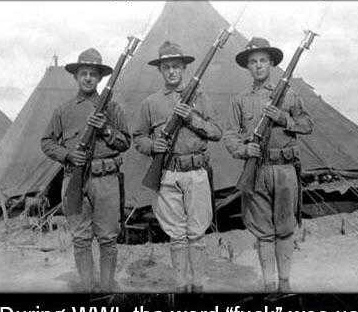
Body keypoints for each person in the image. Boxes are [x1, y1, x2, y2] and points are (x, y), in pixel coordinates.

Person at [224, 37, 313, 293]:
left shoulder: (290, 94)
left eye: (263, 60)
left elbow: (308, 125)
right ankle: (269, 286)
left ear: (272, 63)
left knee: (285, 229)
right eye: (253, 62)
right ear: (247, 67)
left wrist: (283, 118)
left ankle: (285, 284)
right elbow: (230, 134)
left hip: (285, 170)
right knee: (263, 232)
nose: (258, 66)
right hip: (257, 170)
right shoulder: (239, 100)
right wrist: (243, 149)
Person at [133, 41, 222, 293]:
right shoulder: (150, 103)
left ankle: (199, 285)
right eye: (166, 67)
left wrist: (191, 118)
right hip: (167, 173)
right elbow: (137, 137)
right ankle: (181, 286)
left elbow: (216, 132)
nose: (172, 71)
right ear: (160, 71)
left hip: (196, 171)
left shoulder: (200, 98)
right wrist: (153, 146)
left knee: (196, 233)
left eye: (176, 67)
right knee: (176, 235)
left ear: (184, 69)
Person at [41, 48, 130, 292]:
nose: (88, 78)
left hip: (106, 180)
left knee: (108, 239)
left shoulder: (112, 109)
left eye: (93, 73)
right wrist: (67, 154)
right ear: (76, 76)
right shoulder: (63, 110)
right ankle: (88, 289)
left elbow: (126, 143)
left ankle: (108, 288)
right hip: (75, 181)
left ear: (100, 78)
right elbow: (46, 142)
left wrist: (106, 130)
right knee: (81, 239)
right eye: (84, 73)